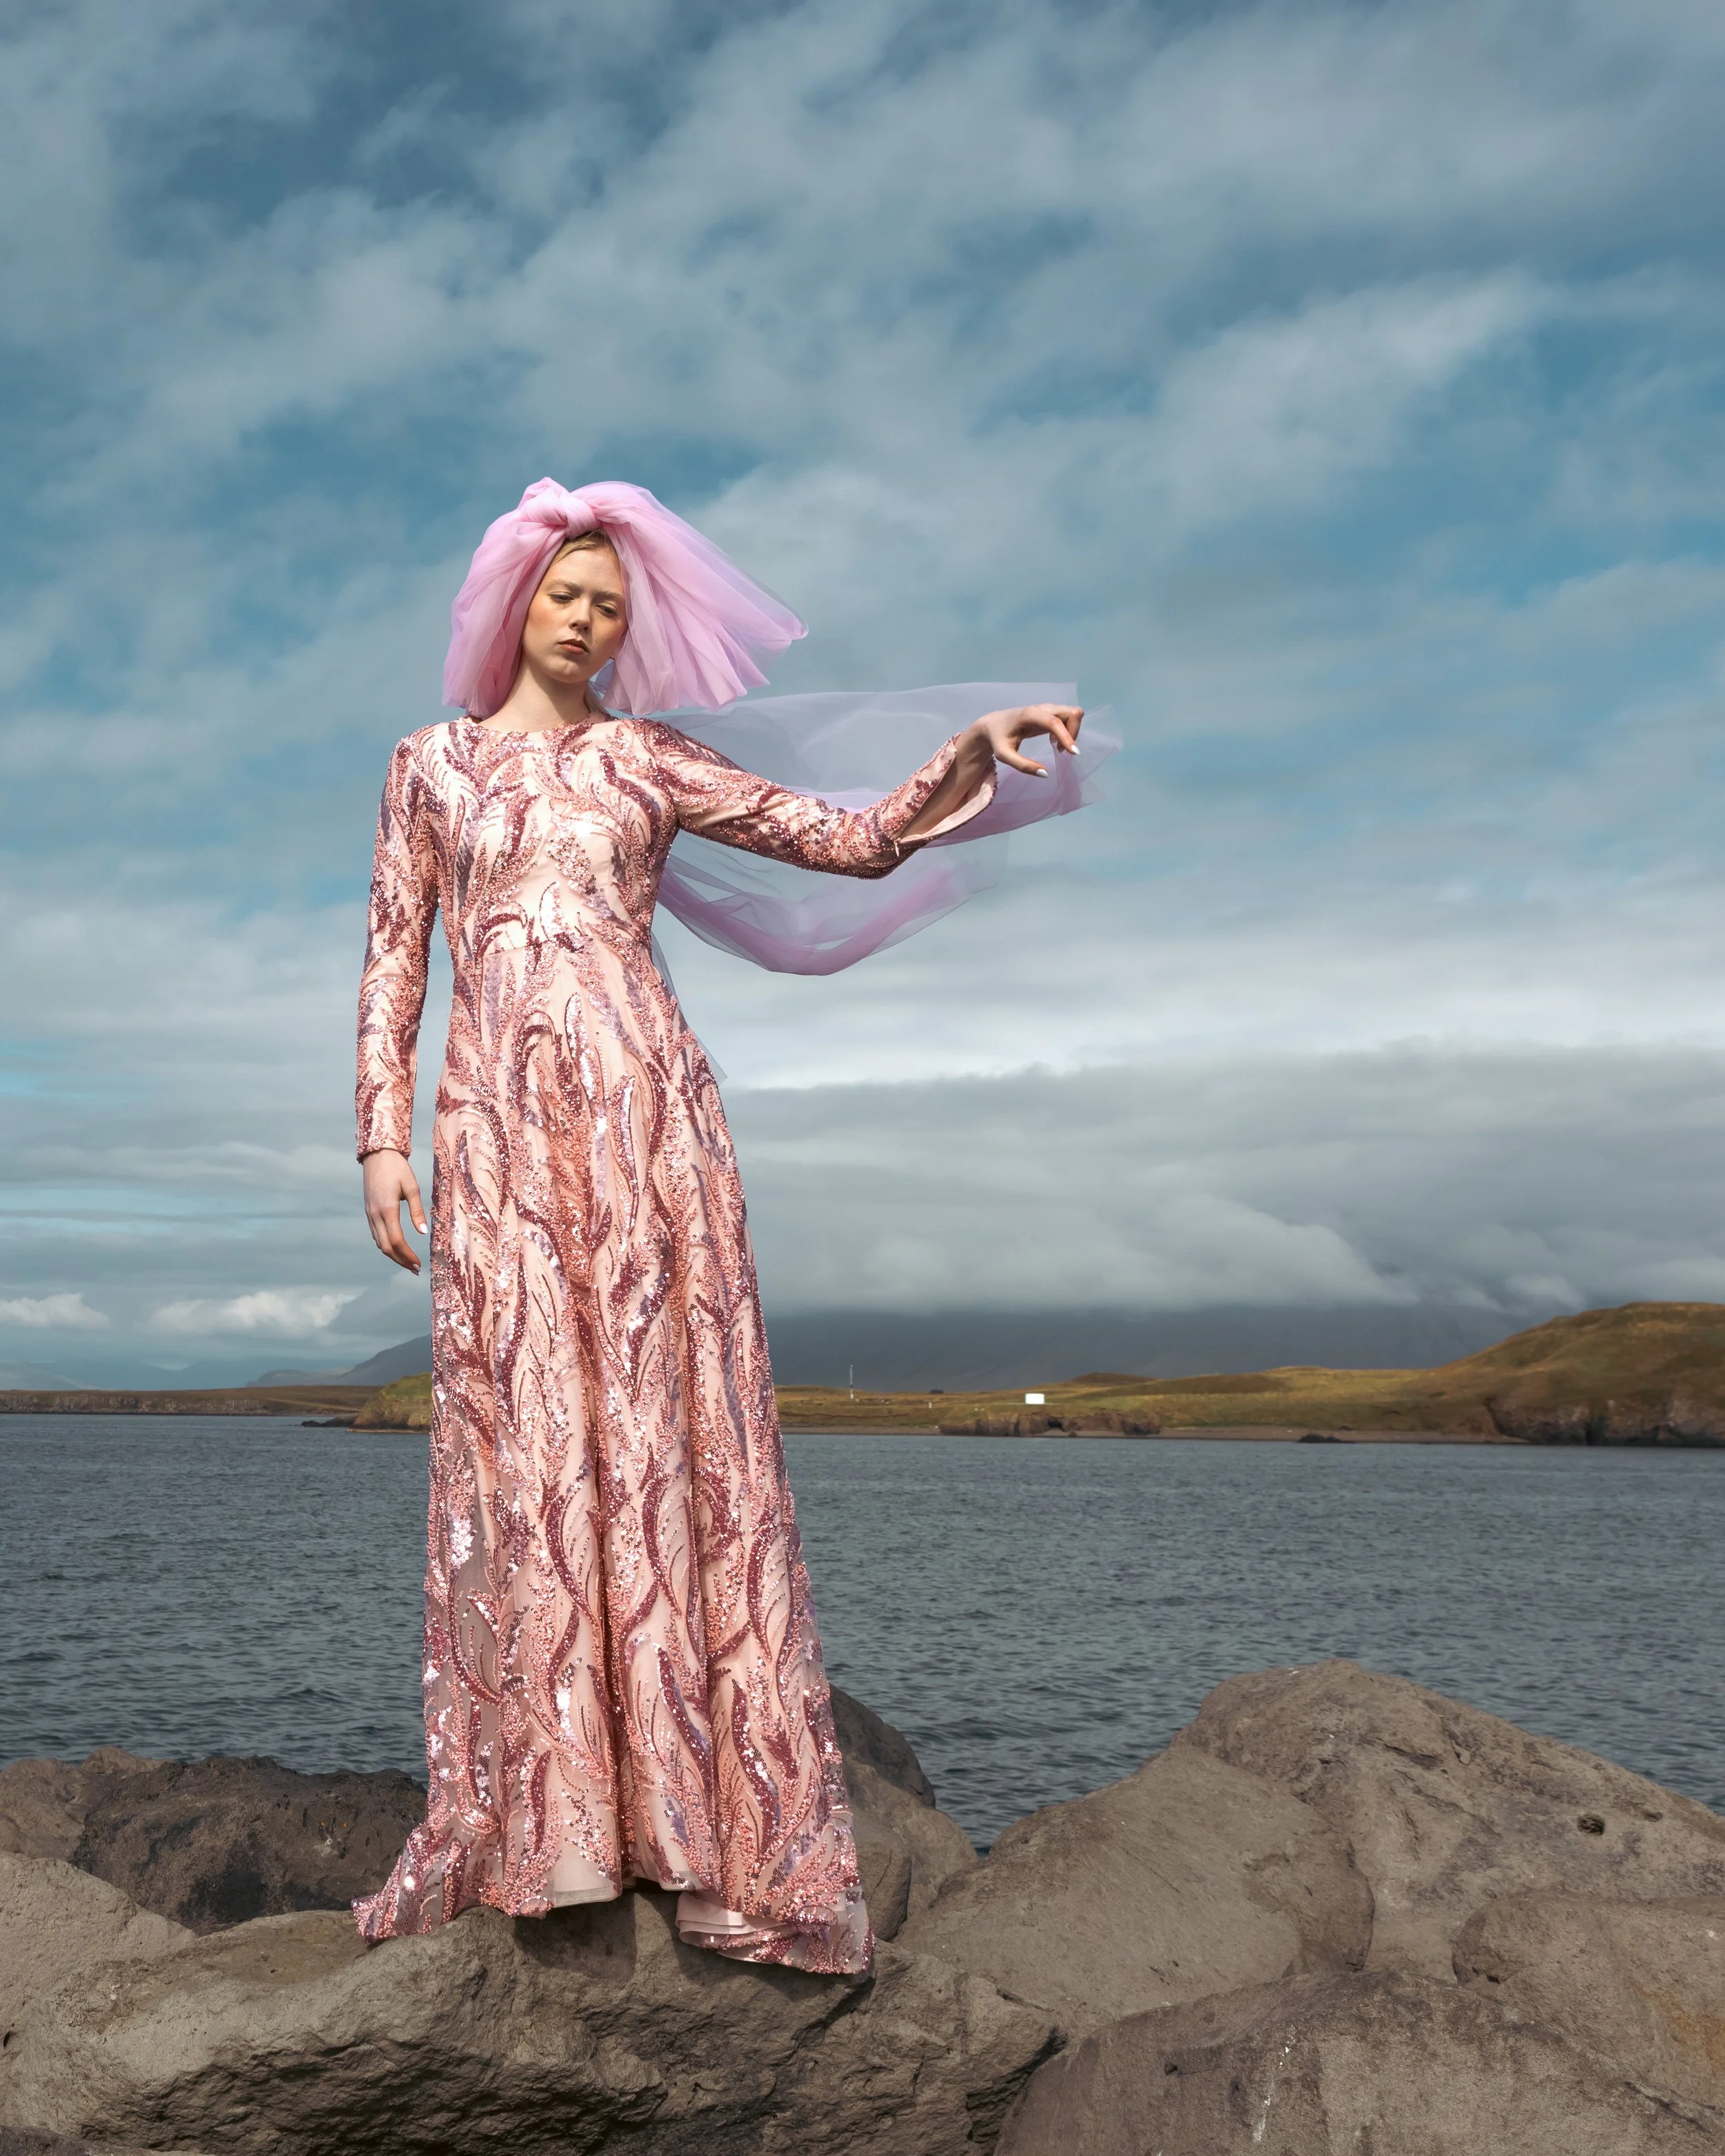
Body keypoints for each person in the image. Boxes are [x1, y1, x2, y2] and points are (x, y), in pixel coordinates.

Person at [353, 478, 1092, 1975]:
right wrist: (379, 1135)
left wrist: (961, 755)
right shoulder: (426, 766)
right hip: (495, 1127)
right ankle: (545, 1823)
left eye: (610, 602)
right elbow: (392, 955)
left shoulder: (650, 758)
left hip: (650, 1118)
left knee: (663, 1431)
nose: (587, 617)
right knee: (534, 1438)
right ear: (510, 603)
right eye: (565, 593)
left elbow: (850, 840)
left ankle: (687, 1824)